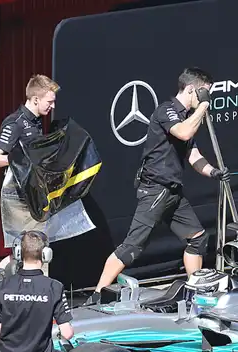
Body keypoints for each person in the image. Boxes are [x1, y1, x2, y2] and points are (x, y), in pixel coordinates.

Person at [85, 67, 230, 305]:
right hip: (155, 189)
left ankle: (196, 291)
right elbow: (183, 133)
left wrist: (213, 172)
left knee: (198, 238)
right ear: (191, 90)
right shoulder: (167, 111)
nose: (207, 98)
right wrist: (203, 107)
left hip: (173, 192)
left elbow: (193, 155)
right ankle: (97, 295)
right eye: (205, 93)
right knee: (132, 247)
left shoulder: (187, 117)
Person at [0, 74, 59, 275]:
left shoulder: (36, 122)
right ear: (35, 99)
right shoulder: (15, 123)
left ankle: (7, 283)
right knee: (24, 249)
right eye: (49, 102)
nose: (52, 106)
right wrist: (24, 162)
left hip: (33, 194)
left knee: (34, 248)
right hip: (17, 198)